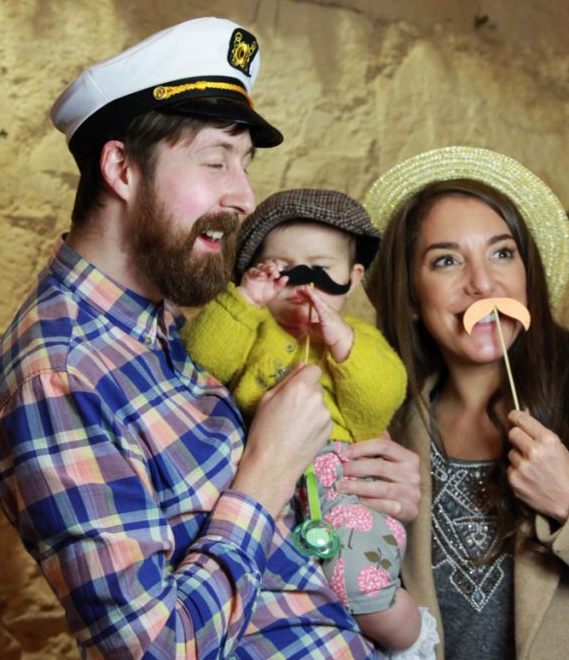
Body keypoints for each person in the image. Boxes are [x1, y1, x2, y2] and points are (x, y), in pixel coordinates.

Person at [0, 17, 420, 659]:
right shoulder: (59, 374)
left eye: (245, 165)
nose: (243, 196)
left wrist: (363, 483)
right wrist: (269, 469)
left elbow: (278, 558)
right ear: (122, 170)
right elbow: (157, 649)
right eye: (216, 161)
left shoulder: (162, 324)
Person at [364, 147, 569, 660]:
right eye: (446, 261)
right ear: (411, 297)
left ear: (527, 275)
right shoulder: (380, 425)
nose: (483, 283)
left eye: (502, 253)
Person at [181, 188, 438, 657]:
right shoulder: (252, 327)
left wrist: (342, 346)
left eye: (322, 271)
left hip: (341, 483)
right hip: (264, 481)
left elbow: (378, 405)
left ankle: (409, 636)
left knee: (359, 584)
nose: (305, 286)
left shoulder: (361, 337)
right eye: (282, 270)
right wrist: (244, 303)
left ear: (353, 278)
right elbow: (199, 364)